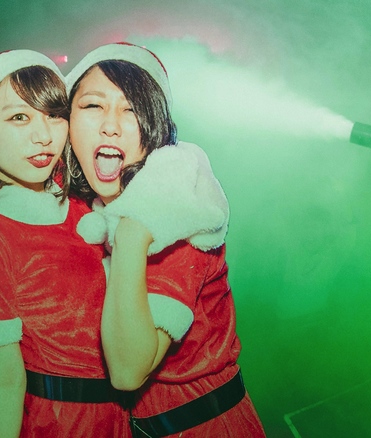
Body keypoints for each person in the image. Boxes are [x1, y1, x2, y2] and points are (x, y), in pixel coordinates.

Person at [65, 42, 266, 437]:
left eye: (131, 109)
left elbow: (127, 371)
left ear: (154, 127)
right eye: (93, 106)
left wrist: (132, 233)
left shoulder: (175, 206)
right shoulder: (91, 204)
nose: (111, 125)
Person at [0, 50, 131, 437]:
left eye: (54, 114)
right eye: (18, 117)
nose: (44, 135)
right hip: (58, 424)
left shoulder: (81, 200)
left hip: (126, 419)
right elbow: (4, 381)